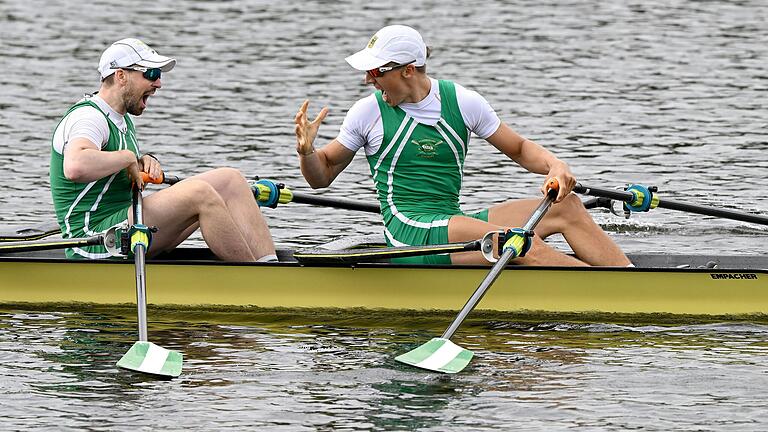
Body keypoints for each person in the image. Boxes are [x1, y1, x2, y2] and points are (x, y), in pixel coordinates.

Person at [294, 25, 630, 266]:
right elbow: (321, 177)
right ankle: (617, 298)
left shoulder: (462, 101)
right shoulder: (368, 112)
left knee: (567, 207)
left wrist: (557, 166)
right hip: (408, 230)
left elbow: (520, 149)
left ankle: (629, 279)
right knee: (519, 242)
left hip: (449, 218)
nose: (368, 79)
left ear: (408, 70)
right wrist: (307, 152)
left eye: (376, 71)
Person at [50, 38, 276, 262]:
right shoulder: (88, 118)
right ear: (121, 76)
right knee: (200, 193)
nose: (158, 83)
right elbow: (76, 166)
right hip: (94, 239)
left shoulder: (121, 119)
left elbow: (108, 163)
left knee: (230, 179)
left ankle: (270, 265)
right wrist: (128, 158)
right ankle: (257, 281)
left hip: (127, 223)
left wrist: (141, 161)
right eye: (150, 74)